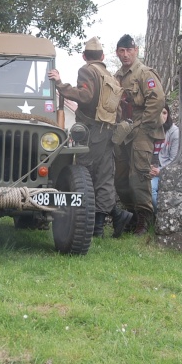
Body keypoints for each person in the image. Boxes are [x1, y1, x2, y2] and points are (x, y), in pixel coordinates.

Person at [47, 37, 133, 238]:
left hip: (92, 131)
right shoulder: (109, 76)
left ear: (85, 56)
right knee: (103, 177)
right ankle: (103, 225)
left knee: (84, 175)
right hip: (107, 130)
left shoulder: (87, 71)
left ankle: (103, 221)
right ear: (102, 56)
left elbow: (85, 96)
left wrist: (60, 84)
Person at [112, 34, 165, 236]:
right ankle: (131, 216)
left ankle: (144, 219)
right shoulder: (117, 76)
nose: (125, 55)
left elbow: (157, 100)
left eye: (129, 50)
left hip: (142, 129)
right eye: (121, 51)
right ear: (117, 53)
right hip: (123, 130)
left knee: (139, 175)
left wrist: (144, 125)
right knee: (121, 177)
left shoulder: (145, 73)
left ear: (136, 51)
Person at [150, 104, 179, 210]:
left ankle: (161, 213)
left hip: (163, 169)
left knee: (151, 188)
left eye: (165, 113)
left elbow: (174, 160)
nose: (162, 116)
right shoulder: (150, 129)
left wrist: (160, 171)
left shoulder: (174, 133)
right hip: (149, 168)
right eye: (159, 113)